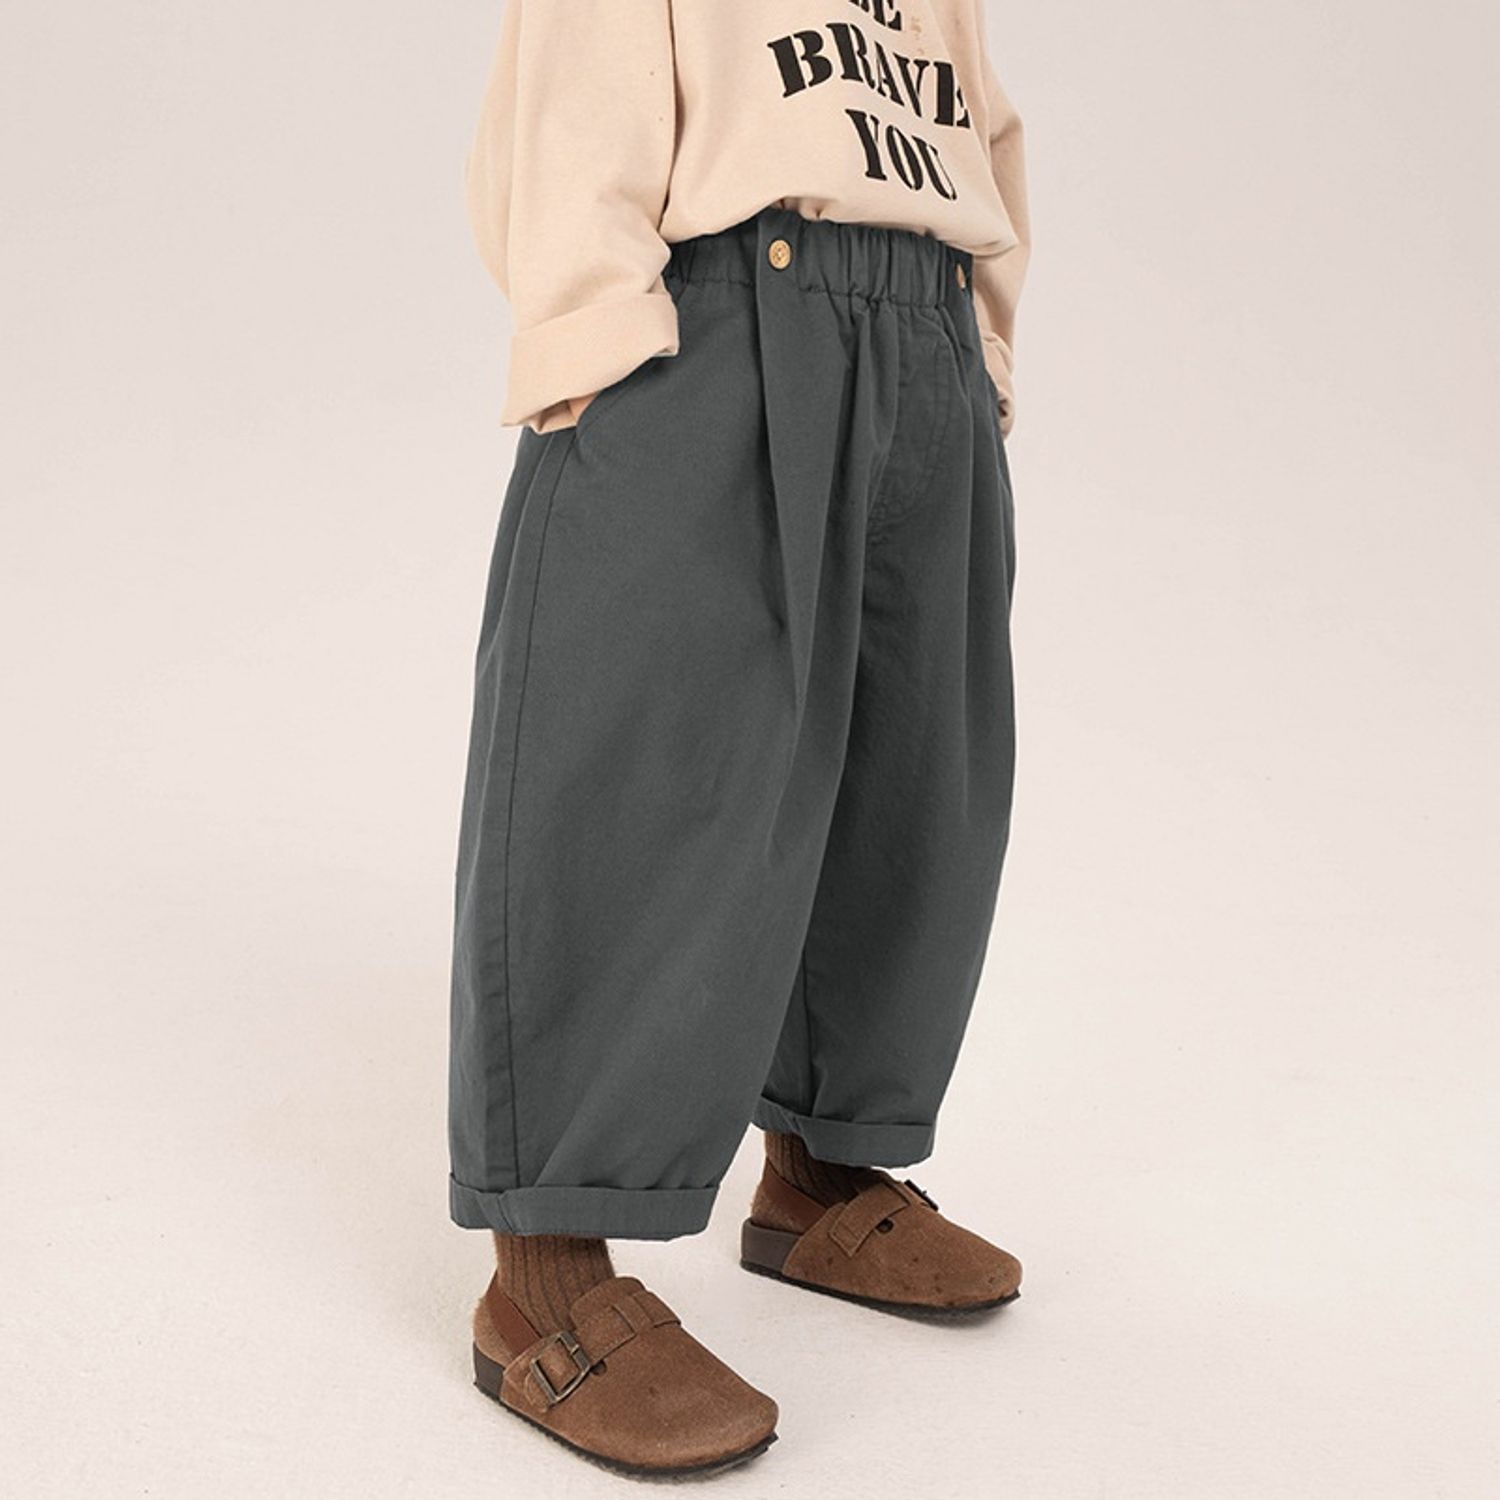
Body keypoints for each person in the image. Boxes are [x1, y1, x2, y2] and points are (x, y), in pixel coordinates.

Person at [449, 0, 1031, 1476]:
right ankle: (545, 1276)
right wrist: (594, 337)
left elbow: (978, 108)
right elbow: (573, 76)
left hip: (919, 323)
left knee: (912, 778)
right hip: (720, 308)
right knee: (644, 774)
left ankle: (824, 1173)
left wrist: (978, 344)